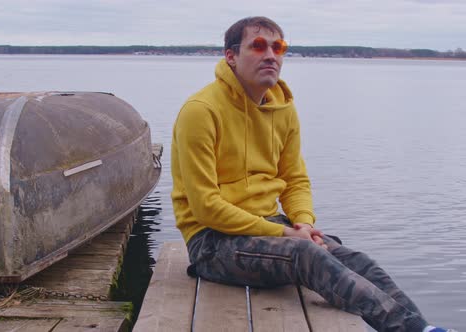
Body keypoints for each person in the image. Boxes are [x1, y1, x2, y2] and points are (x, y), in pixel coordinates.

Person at [170, 16, 456, 332]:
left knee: (351, 257)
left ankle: (427, 328)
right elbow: (205, 206)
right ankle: (410, 329)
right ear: (231, 56)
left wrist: (303, 222)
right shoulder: (201, 111)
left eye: (278, 47)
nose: (271, 55)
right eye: (258, 46)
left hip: (266, 225)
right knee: (306, 253)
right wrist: (286, 234)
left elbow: (294, 179)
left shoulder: (284, 110)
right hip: (211, 242)